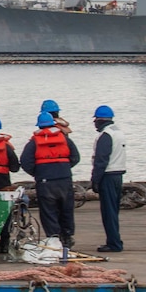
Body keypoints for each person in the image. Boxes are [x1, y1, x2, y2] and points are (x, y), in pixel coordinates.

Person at [20, 111, 81, 248]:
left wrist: (38, 173)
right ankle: (67, 236)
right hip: (64, 179)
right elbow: (76, 157)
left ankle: (53, 237)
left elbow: (25, 162)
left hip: (45, 181)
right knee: (66, 209)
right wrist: (64, 168)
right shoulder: (65, 139)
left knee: (48, 210)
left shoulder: (34, 142)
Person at [88, 105, 127, 253]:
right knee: (114, 210)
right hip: (118, 175)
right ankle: (114, 240)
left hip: (108, 176)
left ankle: (114, 243)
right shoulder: (119, 132)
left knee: (108, 212)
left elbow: (101, 160)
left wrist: (95, 180)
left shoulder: (106, 135)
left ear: (99, 120)